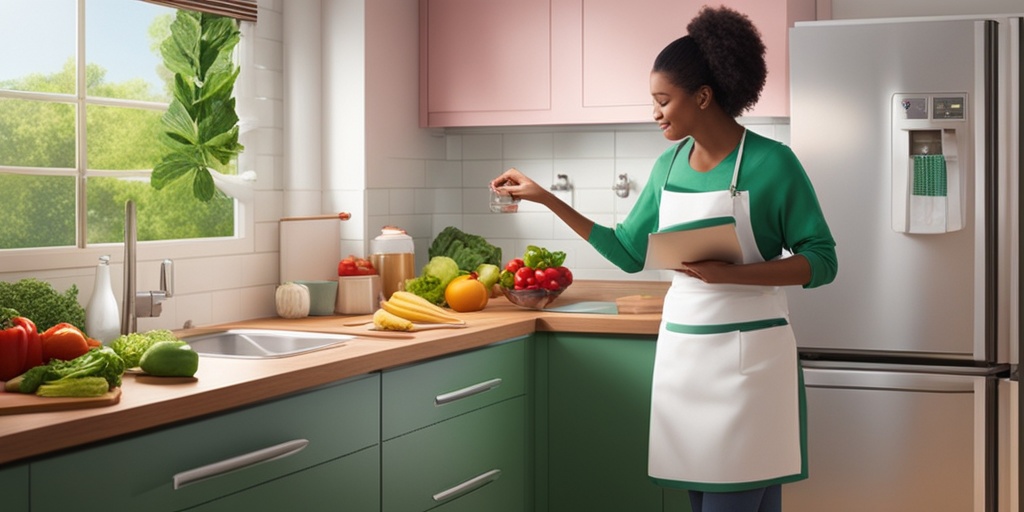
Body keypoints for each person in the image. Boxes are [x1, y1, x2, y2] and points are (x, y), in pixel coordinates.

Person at [490, 6, 837, 512]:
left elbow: (822, 261)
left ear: (702, 96)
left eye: (662, 100)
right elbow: (630, 254)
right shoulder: (666, 166)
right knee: (701, 502)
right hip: (683, 360)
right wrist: (546, 198)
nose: (655, 113)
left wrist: (735, 276)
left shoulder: (771, 162)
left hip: (750, 367)